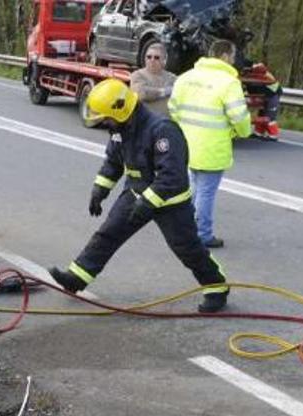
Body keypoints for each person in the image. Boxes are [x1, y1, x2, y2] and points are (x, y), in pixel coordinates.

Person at [49, 78, 230, 313]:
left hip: (170, 201)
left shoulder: (163, 130)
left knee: (187, 248)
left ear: (120, 110)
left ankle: (217, 288)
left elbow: (172, 176)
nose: (104, 123)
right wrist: (100, 189)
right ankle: (76, 278)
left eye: (106, 118)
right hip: (136, 193)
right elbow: (113, 162)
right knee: (108, 234)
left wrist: (148, 202)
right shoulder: (119, 129)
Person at [169, 39, 251, 249]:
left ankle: (184, 229)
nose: (233, 61)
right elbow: (239, 116)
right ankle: (202, 234)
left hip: (187, 144)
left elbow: (173, 109)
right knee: (205, 193)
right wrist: (243, 132)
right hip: (212, 147)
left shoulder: (186, 77)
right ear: (224, 56)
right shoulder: (229, 82)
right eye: (232, 56)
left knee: (192, 190)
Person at [129, 42, 176, 115]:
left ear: (164, 60)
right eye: (149, 57)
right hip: (145, 120)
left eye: (156, 58)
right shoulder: (137, 75)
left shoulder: (172, 78)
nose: (152, 60)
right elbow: (141, 94)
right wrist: (164, 91)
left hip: (166, 120)